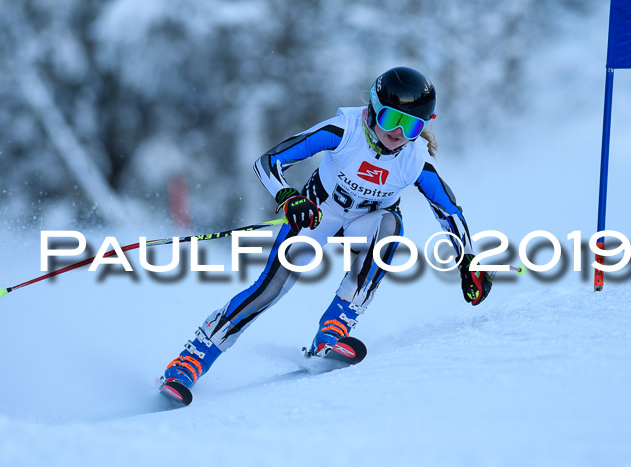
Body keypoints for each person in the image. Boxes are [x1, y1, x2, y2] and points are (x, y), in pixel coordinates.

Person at [160, 66, 493, 392]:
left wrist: (467, 259)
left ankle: (333, 330)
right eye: (391, 119)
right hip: (318, 215)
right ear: (373, 109)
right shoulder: (344, 129)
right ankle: (191, 360)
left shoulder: (416, 159)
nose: (397, 134)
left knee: (391, 226)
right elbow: (268, 162)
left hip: (366, 224)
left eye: (411, 126)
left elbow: (448, 211)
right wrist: (288, 196)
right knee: (269, 290)